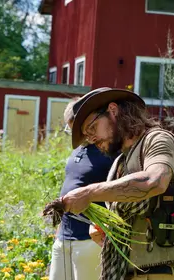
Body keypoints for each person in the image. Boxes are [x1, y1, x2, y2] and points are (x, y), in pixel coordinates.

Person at [61, 88, 174, 280]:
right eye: (87, 136)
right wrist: (108, 233)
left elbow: (154, 181)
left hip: (157, 275)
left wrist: (88, 193)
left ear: (113, 110)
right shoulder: (121, 161)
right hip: (128, 273)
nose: (92, 139)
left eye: (92, 128)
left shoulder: (158, 140)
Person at [48, 98, 115, 280]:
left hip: (89, 240)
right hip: (64, 237)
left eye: (77, 129)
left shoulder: (109, 150)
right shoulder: (77, 149)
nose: (76, 135)